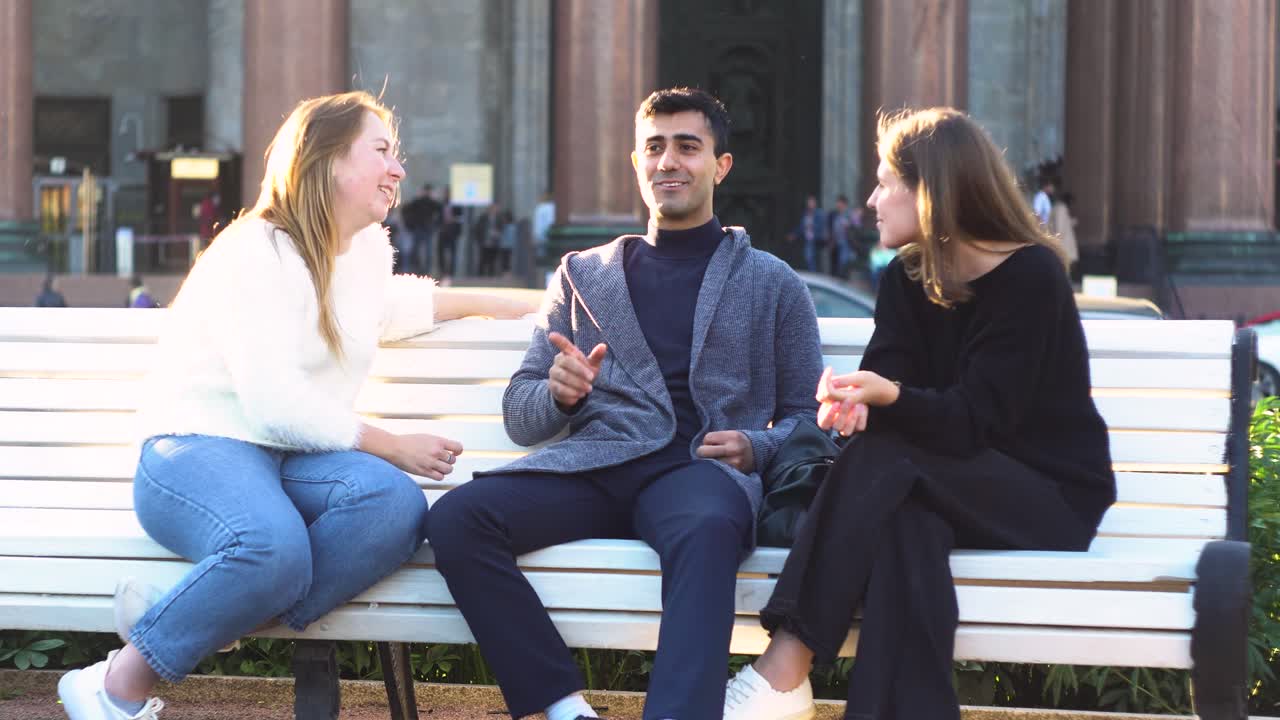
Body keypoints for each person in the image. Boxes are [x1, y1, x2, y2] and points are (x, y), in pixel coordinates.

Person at [56, 90, 536, 720]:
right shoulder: (253, 251)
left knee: (392, 504)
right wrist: (392, 443)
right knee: (273, 550)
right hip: (196, 449)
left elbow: (397, 308)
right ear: (330, 160)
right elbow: (275, 402)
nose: (399, 169)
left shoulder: (360, 252)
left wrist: (522, 304)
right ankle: (116, 684)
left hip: (288, 458)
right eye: (383, 151)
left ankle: (200, 615)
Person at [426, 87, 822, 720]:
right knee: (456, 520)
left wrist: (759, 445)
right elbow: (519, 414)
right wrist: (558, 393)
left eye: (688, 147)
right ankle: (563, 709)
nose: (669, 162)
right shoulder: (585, 274)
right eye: (655, 148)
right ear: (636, 163)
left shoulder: (771, 281)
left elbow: (808, 416)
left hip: (697, 473)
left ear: (720, 165)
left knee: (707, 528)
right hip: (595, 467)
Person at [723, 107, 1116, 720]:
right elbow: (894, 393)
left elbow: (975, 420)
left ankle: (787, 663)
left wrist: (887, 402)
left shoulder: (1032, 277)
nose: (871, 200)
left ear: (930, 190)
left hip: (1046, 495)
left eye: (885, 183)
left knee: (892, 465)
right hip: (936, 482)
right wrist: (857, 408)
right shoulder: (908, 279)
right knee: (908, 530)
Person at [794, 195, 828, 274]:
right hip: (808, 239)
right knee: (808, 257)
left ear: (815, 203)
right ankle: (812, 272)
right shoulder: (805, 213)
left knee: (812, 257)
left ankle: (814, 273)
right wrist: (794, 234)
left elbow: (822, 226)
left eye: (812, 202)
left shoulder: (819, 213)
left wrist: (812, 225)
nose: (810, 204)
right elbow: (801, 226)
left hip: (817, 239)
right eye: (809, 202)